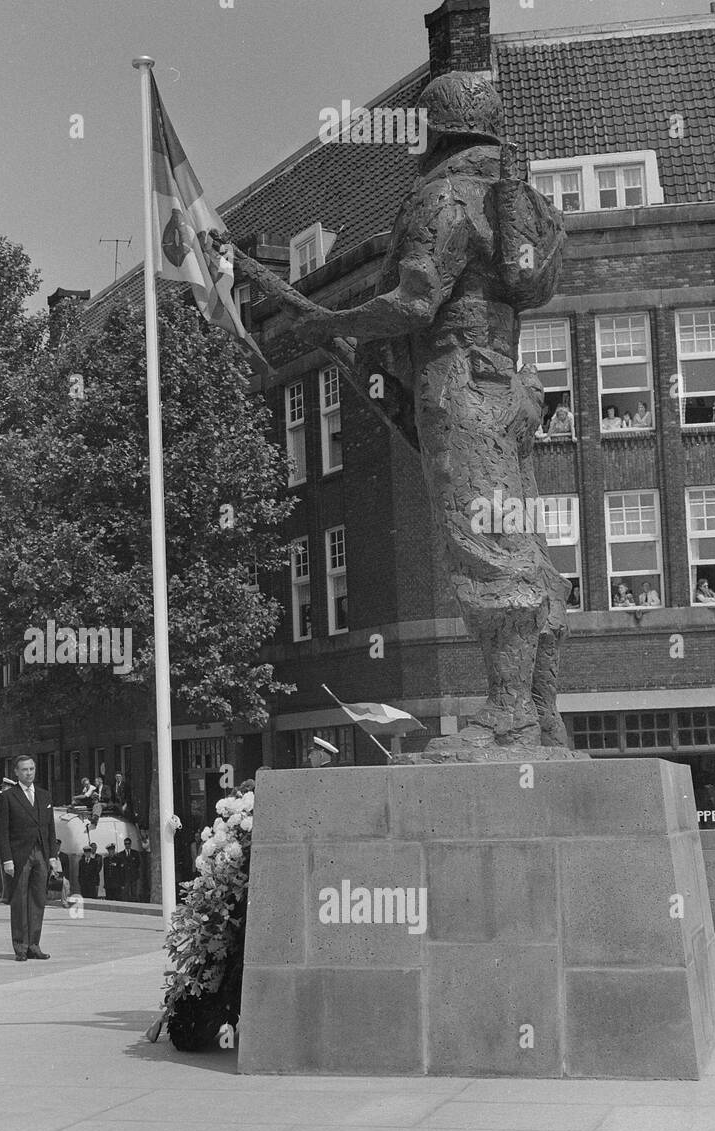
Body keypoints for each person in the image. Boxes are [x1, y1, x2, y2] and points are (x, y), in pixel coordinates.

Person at [224, 70, 572, 754]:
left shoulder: (437, 199)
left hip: (459, 381)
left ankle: (509, 712)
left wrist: (336, 318)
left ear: (432, 130)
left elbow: (414, 304)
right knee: (523, 543)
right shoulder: (515, 199)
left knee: (485, 547)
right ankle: (542, 713)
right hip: (514, 387)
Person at [0, 754, 61, 961]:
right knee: (20, 900)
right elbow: (2, 832)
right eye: (24, 770)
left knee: (38, 900)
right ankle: (21, 946)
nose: (29, 773)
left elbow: (50, 829)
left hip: (41, 853)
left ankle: (34, 944)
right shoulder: (8, 797)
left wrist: (52, 856)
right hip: (19, 855)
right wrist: (7, 859)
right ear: (16, 772)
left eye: (31, 769)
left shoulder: (44, 795)